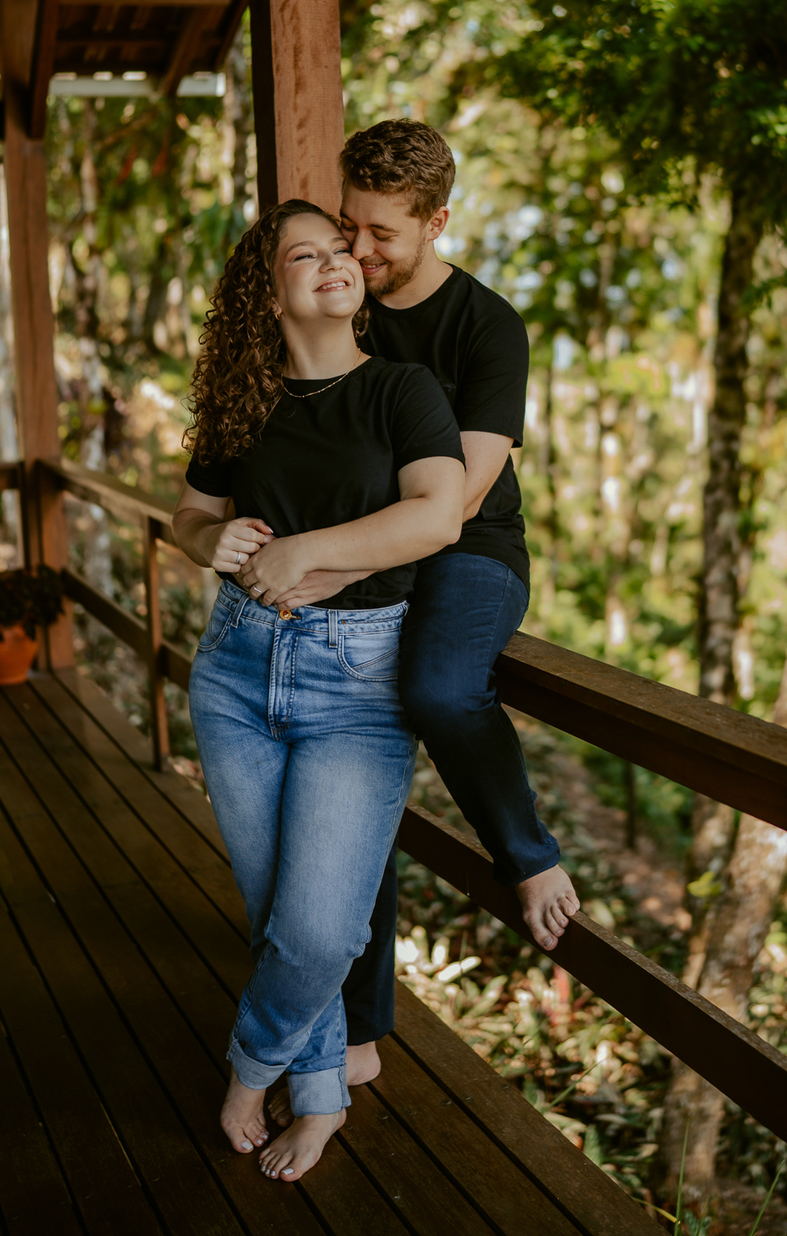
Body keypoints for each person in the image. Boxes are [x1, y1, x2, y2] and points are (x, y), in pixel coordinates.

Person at [252, 119, 579, 1110]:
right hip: (358, 549)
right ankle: (355, 1029)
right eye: (350, 226)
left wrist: (331, 559)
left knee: (437, 686)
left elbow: (464, 496)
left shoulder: (488, 328)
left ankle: (524, 854)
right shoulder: (347, 296)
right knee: (356, 770)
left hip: (469, 550)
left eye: (384, 234)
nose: (359, 251)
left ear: (440, 220)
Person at [173, 199, 465, 1181]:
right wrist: (202, 538)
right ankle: (327, 1096)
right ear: (272, 291)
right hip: (235, 671)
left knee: (323, 925)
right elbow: (190, 513)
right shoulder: (243, 404)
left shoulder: (403, 391)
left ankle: (253, 1068)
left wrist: (303, 551)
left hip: (360, 683)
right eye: (306, 254)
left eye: (344, 249)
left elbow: (435, 519)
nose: (336, 262)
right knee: (277, 919)